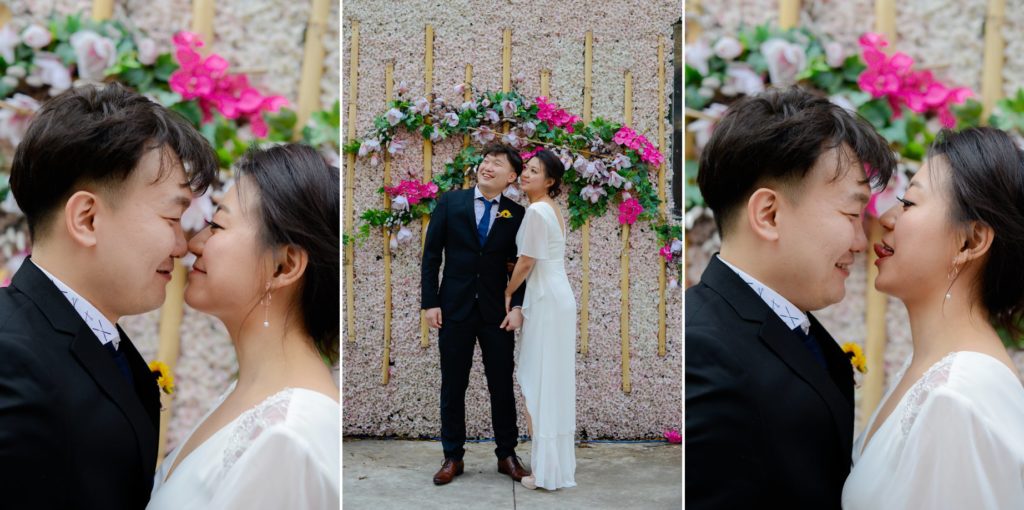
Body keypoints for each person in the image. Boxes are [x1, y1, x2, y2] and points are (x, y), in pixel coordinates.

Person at [0, 82, 218, 509]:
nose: (182, 244)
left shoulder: (98, 338)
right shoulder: (10, 358)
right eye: (172, 216)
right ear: (87, 218)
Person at [685, 87, 896, 509]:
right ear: (769, 214)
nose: (861, 242)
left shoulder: (789, 325)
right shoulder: (701, 351)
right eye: (853, 214)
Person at [147, 143, 340, 508]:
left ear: (284, 267)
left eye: (217, 224)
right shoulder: (250, 397)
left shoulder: (288, 437)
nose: (193, 243)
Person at [842, 127, 1024, 509]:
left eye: (908, 203)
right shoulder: (927, 369)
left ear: (970, 242)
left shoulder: (958, 398)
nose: (887, 218)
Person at [421, 142, 530, 485]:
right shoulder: (450, 203)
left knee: (501, 384)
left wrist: (516, 308)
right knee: (454, 384)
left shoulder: (517, 213)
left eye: (497, 163)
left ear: (511, 176)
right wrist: (430, 302)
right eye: (486, 160)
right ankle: (452, 455)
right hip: (454, 308)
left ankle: (507, 454)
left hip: (496, 313)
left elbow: (521, 267)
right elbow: (431, 256)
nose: (488, 166)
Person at [504, 149, 577, 491]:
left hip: (546, 299)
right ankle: (553, 466)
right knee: (553, 379)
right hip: (558, 296)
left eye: (534, 171)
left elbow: (527, 261)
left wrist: (508, 291)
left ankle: (545, 472)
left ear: (550, 181)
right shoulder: (552, 210)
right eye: (526, 169)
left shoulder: (535, 211)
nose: (526, 174)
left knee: (539, 378)